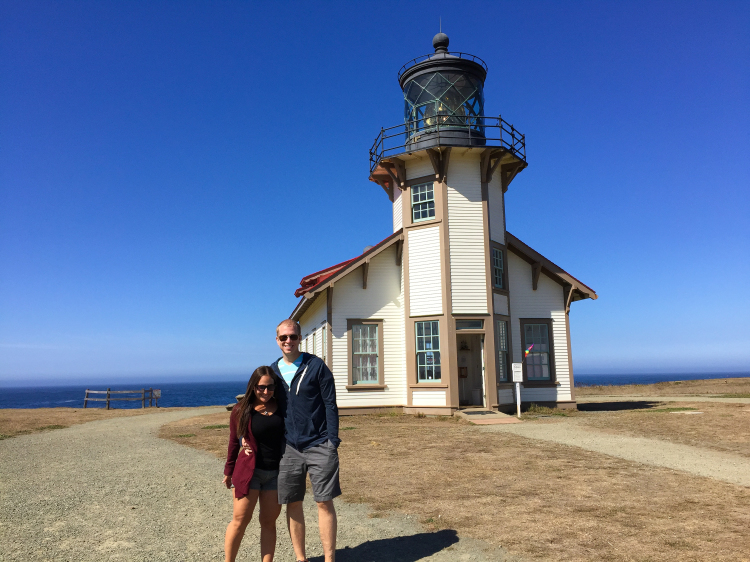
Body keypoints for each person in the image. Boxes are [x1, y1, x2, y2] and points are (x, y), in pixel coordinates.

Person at [272, 318, 340, 562]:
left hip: (320, 444)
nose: (288, 341)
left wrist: (332, 441)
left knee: (324, 502)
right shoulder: (273, 371)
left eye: (293, 336)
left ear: (300, 338)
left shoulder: (316, 366)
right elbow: (262, 407)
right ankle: (301, 558)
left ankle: (329, 558)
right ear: (277, 341)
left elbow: (330, 404)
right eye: (283, 337)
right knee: (293, 503)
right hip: (288, 448)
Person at [223, 366, 286, 562]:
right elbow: (234, 441)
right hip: (249, 473)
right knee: (240, 521)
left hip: (275, 474)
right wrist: (228, 471)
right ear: (253, 386)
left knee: (268, 523)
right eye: (261, 387)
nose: (265, 392)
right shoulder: (241, 410)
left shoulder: (282, 407)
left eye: (270, 387)